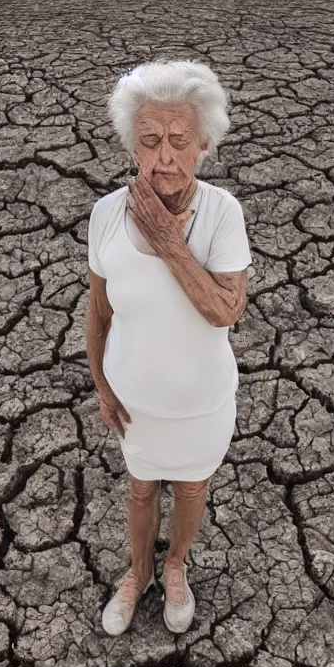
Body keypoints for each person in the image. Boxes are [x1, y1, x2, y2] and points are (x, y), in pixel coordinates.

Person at [86, 59, 252, 635]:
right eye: (150, 140)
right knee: (138, 488)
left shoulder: (221, 214)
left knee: (190, 487)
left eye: (180, 141)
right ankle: (138, 573)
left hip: (202, 403)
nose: (165, 157)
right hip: (135, 404)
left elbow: (225, 310)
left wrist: (167, 242)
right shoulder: (105, 215)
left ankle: (175, 565)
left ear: (204, 144)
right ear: (133, 146)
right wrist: (102, 386)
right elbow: (99, 311)